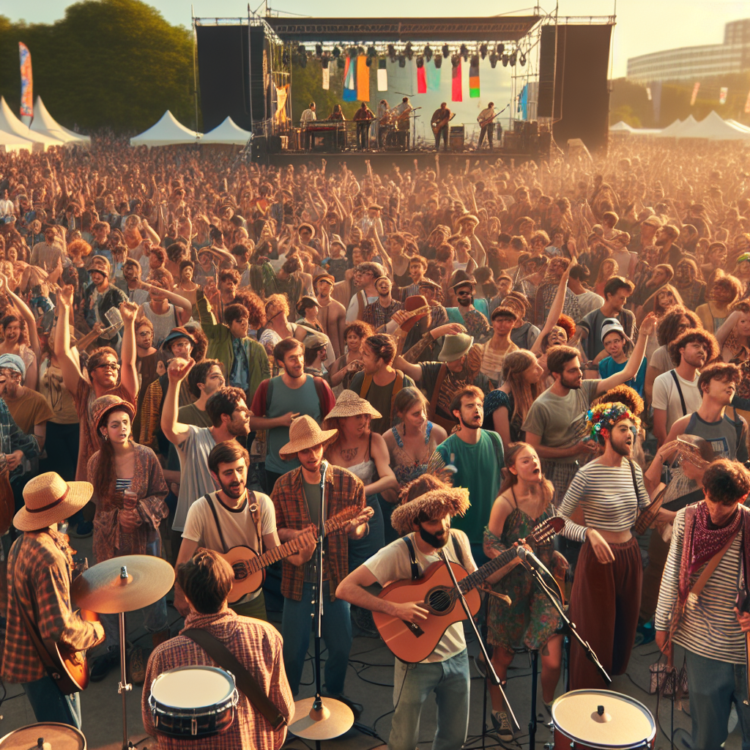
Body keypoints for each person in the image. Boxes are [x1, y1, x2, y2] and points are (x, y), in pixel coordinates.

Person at [336, 478, 475, 750]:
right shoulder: (397, 552)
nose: (443, 527)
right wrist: (395, 608)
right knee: (404, 741)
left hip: (457, 654)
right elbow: (345, 589)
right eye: (433, 522)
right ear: (415, 523)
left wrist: (510, 561)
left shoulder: (458, 540)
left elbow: (474, 582)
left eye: (446, 518)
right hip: (416, 660)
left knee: (456, 738)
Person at [142, 548, 294, 750]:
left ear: (187, 597)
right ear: (230, 587)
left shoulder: (163, 656)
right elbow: (284, 711)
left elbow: (151, 724)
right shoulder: (267, 636)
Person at [271, 416, 372, 714]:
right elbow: (272, 532)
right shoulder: (283, 486)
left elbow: (359, 531)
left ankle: (334, 696)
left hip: (336, 579)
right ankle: (286, 708)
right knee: (292, 654)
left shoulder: (348, 482)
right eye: (304, 451)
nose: (312, 455)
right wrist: (293, 535)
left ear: (324, 444)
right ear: (295, 454)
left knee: (341, 646)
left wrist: (355, 528)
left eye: (315, 447)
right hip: (297, 581)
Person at [559, 402, 664, 690]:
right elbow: (559, 519)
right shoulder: (588, 473)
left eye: (632, 429)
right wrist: (589, 533)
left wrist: (689, 513)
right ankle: (584, 696)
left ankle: (608, 691)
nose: (630, 434)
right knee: (595, 631)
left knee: (623, 629)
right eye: (623, 429)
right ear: (605, 433)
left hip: (629, 555)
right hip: (597, 559)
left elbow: (647, 510)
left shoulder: (631, 467)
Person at [655, 460, 750, 750]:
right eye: (712, 498)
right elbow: (672, 572)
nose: (718, 509)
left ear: (742, 498)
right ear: (703, 489)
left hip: (745, 645)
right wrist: (661, 624)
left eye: (727, 502)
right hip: (703, 646)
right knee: (707, 737)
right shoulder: (687, 518)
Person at [2, 472, 105, 727]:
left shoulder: (20, 543)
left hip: (30, 656)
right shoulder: (49, 557)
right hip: (47, 667)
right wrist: (94, 631)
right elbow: (57, 628)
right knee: (67, 735)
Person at [523, 316, 655, 506]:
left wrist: (642, 335)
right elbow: (531, 448)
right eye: (572, 371)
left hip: (585, 470)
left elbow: (628, 373)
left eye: (579, 369)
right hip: (555, 476)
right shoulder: (542, 406)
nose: (580, 374)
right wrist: (572, 450)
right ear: (556, 374)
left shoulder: (584, 388)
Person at [483, 443, 567, 739]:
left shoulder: (547, 491)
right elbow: (489, 543)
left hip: (542, 584)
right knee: (503, 657)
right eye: (525, 459)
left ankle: (548, 703)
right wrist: (513, 554)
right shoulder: (505, 503)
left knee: (553, 658)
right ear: (512, 469)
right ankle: (499, 711)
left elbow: (547, 534)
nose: (534, 462)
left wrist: (554, 556)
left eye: (534, 457)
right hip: (511, 588)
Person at [86, 395, 169, 683]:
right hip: (109, 539)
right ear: (102, 430)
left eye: (125, 423)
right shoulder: (97, 462)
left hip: (144, 538)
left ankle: (161, 646)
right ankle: (114, 648)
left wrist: (142, 512)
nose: (121, 428)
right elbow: (99, 503)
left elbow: (161, 493)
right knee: (106, 590)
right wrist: (117, 517)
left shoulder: (147, 456)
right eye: (114, 424)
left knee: (152, 591)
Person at [175, 441, 296, 621]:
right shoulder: (200, 508)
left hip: (251, 597)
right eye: (228, 473)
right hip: (211, 600)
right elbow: (183, 561)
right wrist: (179, 595)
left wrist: (298, 547)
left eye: (240, 470)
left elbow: (274, 551)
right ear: (214, 475)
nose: (237, 478)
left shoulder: (262, 503)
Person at [161, 358, 252, 548]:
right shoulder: (195, 437)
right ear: (225, 417)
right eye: (242, 410)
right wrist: (174, 383)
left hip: (226, 536)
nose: (249, 414)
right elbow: (168, 427)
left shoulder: (241, 453)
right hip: (191, 536)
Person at [55, 285, 139, 485]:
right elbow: (62, 353)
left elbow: (128, 362)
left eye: (113, 365)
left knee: (123, 510)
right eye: (104, 365)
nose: (111, 368)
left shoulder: (124, 393)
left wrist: (128, 323)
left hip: (124, 470)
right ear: (92, 372)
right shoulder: (84, 393)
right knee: (94, 515)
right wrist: (65, 310)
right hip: (91, 473)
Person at [427, 385, 504, 565]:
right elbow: (434, 503)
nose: (477, 409)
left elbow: (503, 484)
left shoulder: (495, 440)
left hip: (493, 539)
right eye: (469, 406)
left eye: (479, 405)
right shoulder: (444, 451)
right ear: (456, 413)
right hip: (459, 542)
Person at [323, 390, 398, 570]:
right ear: (342, 419)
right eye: (357, 416)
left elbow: (389, 479)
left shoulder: (374, 439)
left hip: (368, 509)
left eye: (365, 415)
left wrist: (360, 491)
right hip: (335, 513)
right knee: (339, 569)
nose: (364, 420)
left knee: (372, 567)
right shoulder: (327, 444)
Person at [250, 338, 335, 491]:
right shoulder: (268, 387)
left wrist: (321, 453)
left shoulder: (319, 385)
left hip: (313, 468)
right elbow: (250, 422)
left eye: (300, 356)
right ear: (280, 362)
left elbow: (334, 423)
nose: (299, 362)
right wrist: (279, 421)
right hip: (276, 470)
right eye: (292, 358)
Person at [383, 387, 447, 542]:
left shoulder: (439, 434)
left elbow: (448, 475)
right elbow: (384, 482)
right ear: (400, 414)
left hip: (434, 513)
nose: (423, 417)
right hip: (404, 516)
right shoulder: (389, 439)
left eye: (424, 410)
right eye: (416, 414)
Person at [395, 330, 491, 433]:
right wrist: (431, 335)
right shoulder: (435, 370)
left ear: (462, 358)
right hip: (435, 436)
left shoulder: (481, 381)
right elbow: (401, 364)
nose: (447, 362)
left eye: (450, 359)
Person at [652, 328, 718, 447]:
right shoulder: (663, 381)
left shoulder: (708, 384)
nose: (702, 351)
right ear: (681, 350)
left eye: (705, 348)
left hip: (703, 454)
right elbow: (660, 431)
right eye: (696, 346)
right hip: (675, 454)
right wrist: (670, 457)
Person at [347, 333, 416, 434]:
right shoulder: (360, 379)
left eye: (366, 354)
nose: (361, 359)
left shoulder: (406, 384)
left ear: (380, 361)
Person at [483, 350, 545, 452]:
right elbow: (505, 446)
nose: (541, 370)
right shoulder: (498, 397)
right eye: (535, 367)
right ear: (519, 373)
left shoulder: (517, 398)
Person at [576, 276, 637, 363]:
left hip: (620, 370)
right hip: (596, 372)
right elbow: (577, 345)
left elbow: (628, 347)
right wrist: (589, 364)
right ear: (609, 296)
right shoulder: (590, 319)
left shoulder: (627, 317)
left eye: (626, 298)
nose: (624, 302)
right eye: (621, 298)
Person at [597, 318, 647, 397]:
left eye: (616, 341)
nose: (613, 346)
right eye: (608, 343)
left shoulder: (642, 361)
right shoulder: (603, 365)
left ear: (623, 341)